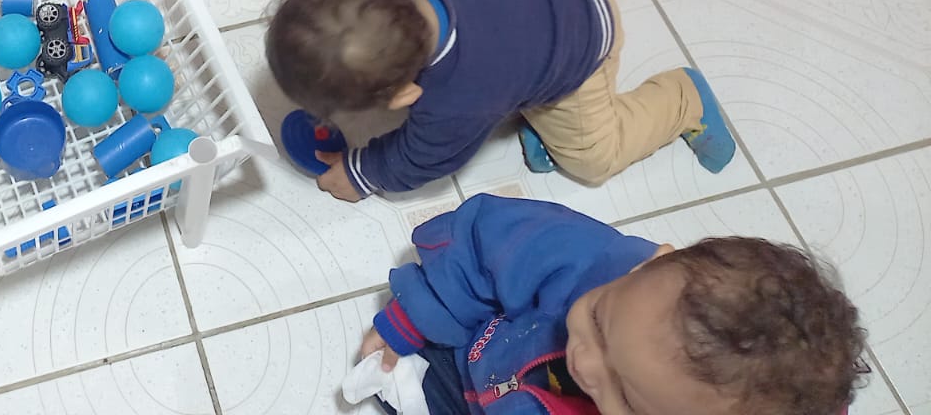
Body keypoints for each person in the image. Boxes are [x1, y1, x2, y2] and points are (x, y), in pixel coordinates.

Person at [265, 0, 736, 201]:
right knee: (504, 76)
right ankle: (534, 111)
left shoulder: (460, 98)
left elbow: (424, 158)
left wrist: (363, 172)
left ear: (406, 94)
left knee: (594, 160)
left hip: (584, 36)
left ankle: (683, 99)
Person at [357, 194, 864, 415]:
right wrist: (418, 313)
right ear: (655, 263)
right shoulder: (590, 258)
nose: (583, 360)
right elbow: (483, 246)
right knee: (396, 372)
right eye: (598, 319)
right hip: (486, 353)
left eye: (623, 393)